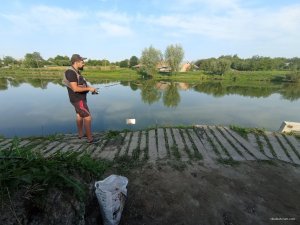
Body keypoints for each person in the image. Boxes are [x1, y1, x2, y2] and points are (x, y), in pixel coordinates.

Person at [64, 54, 99, 143]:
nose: (84, 64)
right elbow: (75, 88)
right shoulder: (71, 72)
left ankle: (80, 134)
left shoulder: (76, 71)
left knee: (80, 115)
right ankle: (90, 139)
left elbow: (83, 85)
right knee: (87, 117)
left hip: (79, 99)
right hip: (78, 100)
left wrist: (91, 89)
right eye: (82, 62)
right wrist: (89, 89)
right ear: (76, 62)